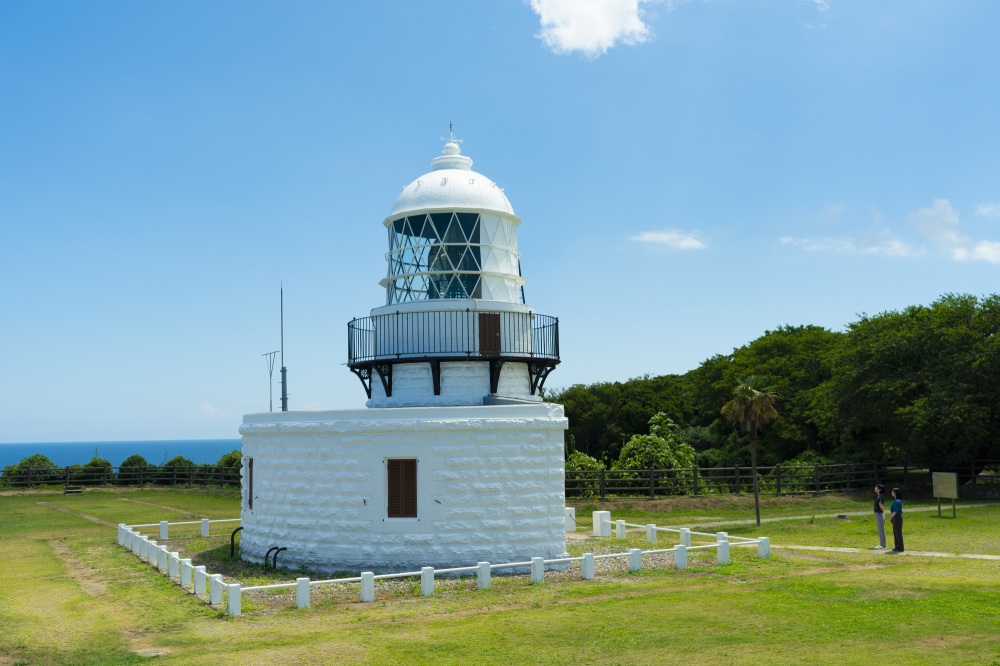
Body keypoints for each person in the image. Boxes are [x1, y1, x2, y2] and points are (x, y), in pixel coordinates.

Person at [887, 487, 904, 553]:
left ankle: (900, 548)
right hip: (895, 518)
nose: (891, 492)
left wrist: (890, 517)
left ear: (895, 493)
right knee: (895, 533)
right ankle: (897, 546)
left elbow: (895, 511)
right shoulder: (896, 501)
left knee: (898, 533)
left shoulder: (898, 501)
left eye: (892, 491)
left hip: (897, 517)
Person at [872, 484, 886, 550]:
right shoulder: (878, 497)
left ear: (879, 489)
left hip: (880, 514)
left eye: (876, 487)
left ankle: (883, 545)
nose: (875, 488)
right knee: (880, 529)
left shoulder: (880, 497)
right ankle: (881, 544)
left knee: (881, 530)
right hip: (878, 514)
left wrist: (883, 515)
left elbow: (881, 506)